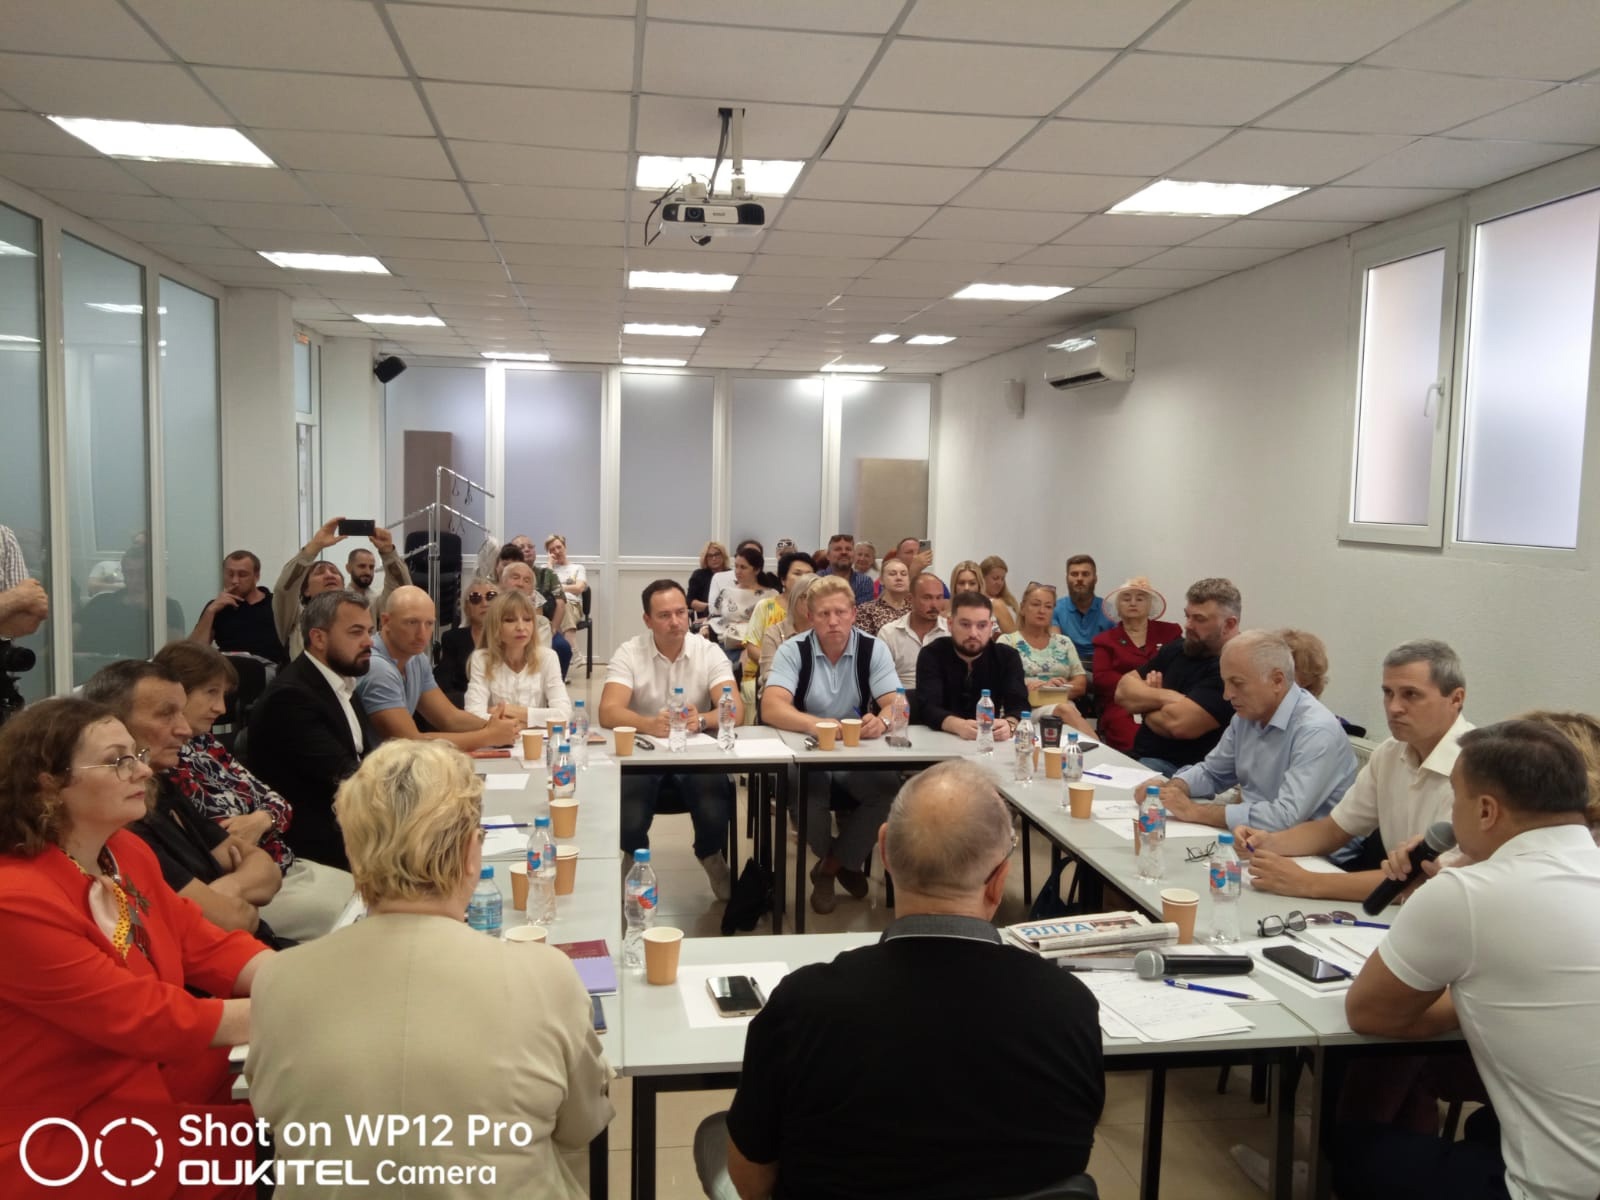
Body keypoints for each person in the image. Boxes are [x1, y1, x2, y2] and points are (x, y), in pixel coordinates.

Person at [705, 760, 1104, 1200]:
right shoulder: (1071, 1009)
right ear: (998, 881)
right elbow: (1070, 1160)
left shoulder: (804, 1005)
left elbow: (752, 1181)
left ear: (885, 852)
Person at [246, 740, 613, 1200]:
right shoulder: (546, 975)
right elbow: (583, 1124)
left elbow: (271, 1116)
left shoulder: (278, 979)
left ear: (352, 850)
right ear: (471, 853)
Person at [0, 698, 271, 1195]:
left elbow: (205, 946)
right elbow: (141, 1018)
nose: (142, 770)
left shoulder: (125, 850)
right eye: (118, 760)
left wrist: (307, 978)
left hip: (146, 1085)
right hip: (62, 1132)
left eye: (137, 755)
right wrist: (298, 1006)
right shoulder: (13, 902)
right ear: (49, 784)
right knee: (300, 1139)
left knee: (312, 1107)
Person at [1339, 720, 1600, 1200]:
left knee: (1356, 1148)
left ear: (1485, 810)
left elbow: (1370, 1014)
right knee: (1484, 1127)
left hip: (1560, 1189)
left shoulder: (1465, 893)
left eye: (1455, 799)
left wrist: (1474, 1003)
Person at [156, 640, 356, 941]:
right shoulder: (166, 763)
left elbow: (279, 803)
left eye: (223, 695)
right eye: (211, 693)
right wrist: (266, 818)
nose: (221, 708)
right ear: (178, 693)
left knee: (372, 896)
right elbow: (224, 844)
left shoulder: (204, 744)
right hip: (248, 888)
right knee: (356, 920)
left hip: (286, 865)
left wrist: (262, 819)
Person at [1240, 640, 1470, 899]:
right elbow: (1334, 829)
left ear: (1456, 699)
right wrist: (1267, 842)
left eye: (1411, 694)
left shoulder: (1476, 770)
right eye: (1388, 693)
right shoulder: (1390, 752)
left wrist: (1308, 882)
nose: (1394, 707)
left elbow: (1430, 880)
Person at [83, 660, 285, 941]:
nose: (185, 729)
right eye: (166, 714)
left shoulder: (161, 786)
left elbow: (268, 870)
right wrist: (239, 897)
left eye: (181, 712)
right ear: (115, 725)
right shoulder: (124, 823)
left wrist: (227, 890)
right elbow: (231, 921)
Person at [762, 576, 902, 914]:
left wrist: (882, 721)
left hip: (858, 751)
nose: (833, 621)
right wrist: (817, 724)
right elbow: (771, 707)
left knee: (888, 790)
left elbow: (897, 703)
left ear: (854, 613)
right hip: (807, 749)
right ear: (810, 617)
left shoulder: (873, 649)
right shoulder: (793, 650)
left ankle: (828, 868)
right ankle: (842, 862)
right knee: (807, 791)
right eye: (824, 614)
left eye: (840, 612)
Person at [600, 580, 739, 900]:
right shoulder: (629, 652)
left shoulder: (708, 651)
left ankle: (711, 856)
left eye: (681, 613)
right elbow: (608, 711)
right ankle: (634, 860)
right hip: (643, 752)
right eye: (664, 615)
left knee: (714, 801)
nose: (676, 621)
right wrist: (647, 724)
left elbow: (735, 709)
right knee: (630, 810)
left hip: (694, 750)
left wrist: (702, 719)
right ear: (647, 620)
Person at [1152, 630, 1358, 834]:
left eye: (1237, 683)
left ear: (1277, 681)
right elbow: (1212, 772)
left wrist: (1195, 812)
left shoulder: (1316, 731)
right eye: (1225, 683)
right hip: (1256, 836)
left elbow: (1285, 817)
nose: (1227, 695)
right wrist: (1173, 788)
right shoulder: (1246, 716)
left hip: (1312, 849)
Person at [246, 590, 377, 871]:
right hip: (315, 846)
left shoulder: (342, 682)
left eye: (370, 631)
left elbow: (366, 758)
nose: (369, 642)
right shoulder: (290, 697)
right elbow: (345, 775)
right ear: (318, 638)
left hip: (352, 823)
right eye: (356, 632)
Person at [355, 586, 521, 751]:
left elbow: (449, 718)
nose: (422, 634)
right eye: (411, 622)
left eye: (429, 623)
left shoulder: (416, 658)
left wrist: (495, 726)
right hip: (376, 764)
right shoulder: (377, 667)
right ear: (386, 621)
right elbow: (409, 741)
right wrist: (488, 735)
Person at [1116, 576, 1242, 774]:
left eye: (1199, 619)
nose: (1188, 625)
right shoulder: (1179, 648)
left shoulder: (1233, 668)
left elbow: (1178, 725)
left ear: (1229, 624)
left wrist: (1144, 706)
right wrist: (1167, 697)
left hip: (1184, 770)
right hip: (1139, 756)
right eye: (1187, 616)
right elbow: (1123, 690)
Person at [274, 517, 409, 660]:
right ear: (306, 590)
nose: (329, 575)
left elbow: (401, 592)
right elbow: (285, 590)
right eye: (320, 572)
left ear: (343, 587)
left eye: (334, 572)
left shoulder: (365, 611)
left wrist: (388, 553)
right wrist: (313, 547)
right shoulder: (296, 618)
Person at [912, 590, 1028, 741]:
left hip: (990, 741)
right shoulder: (932, 654)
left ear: (991, 627)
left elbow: (1019, 705)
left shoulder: (1007, 656)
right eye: (965, 625)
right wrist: (958, 726)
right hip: (940, 739)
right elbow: (928, 707)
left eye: (982, 625)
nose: (973, 633)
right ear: (950, 624)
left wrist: (1010, 725)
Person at [1091, 576, 1182, 753]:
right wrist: (1140, 688)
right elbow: (1102, 678)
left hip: (1167, 701)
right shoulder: (1105, 640)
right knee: (1136, 744)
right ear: (1118, 607)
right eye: (1126, 599)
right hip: (1124, 705)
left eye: (1140, 599)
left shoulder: (1170, 632)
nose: (1133, 603)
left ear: (1150, 605)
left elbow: (1180, 666)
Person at [465, 588, 573, 728]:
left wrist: (508, 710)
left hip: (535, 739)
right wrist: (532, 720)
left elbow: (564, 715)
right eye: (510, 620)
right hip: (497, 740)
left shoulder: (548, 657)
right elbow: (473, 716)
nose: (521, 627)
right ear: (495, 626)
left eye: (527, 619)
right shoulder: (482, 659)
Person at [75, 543, 185, 656]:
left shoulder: (167, 607)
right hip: (90, 664)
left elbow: (175, 652)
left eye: (142, 573)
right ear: (124, 574)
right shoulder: (101, 602)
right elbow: (72, 635)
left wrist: (150, 610)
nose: (135, 579)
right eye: (130, 573)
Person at [1001, 581, 1089, 707]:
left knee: (1065, 708)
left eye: (1048, 607)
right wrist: (1030, 688)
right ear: (1023, 608)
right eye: (1036, 604)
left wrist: (1056, 688)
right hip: (1022, 705)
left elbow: (1081, 684)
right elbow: (999, 682)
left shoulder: (1064, 642)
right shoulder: (1007, 642)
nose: (1042, 611)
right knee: (1064, 709)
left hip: (1060, 704)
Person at [189, 549, 285, 664]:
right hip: (228, 666)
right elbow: (193, 653)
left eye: (242, 575)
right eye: (230, 574)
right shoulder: (216, 607)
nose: (235, 581)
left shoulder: (276, 604)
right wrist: (210, 611)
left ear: (256, 576)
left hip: (267, 667)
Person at [497, 550, 573, 679]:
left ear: (532, 588)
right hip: (496, 667)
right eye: (515, 578)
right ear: (502, 582)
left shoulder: (540, 618)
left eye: (526, 581)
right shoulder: (490, 600)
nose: (520, 584)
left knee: (562, 647)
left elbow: (537, 653)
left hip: (530, 667)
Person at [742, 551, 813, 684]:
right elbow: (751, 647)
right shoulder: (765, 606)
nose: (804, 579)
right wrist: (783, 664)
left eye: (808, 574)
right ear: (783, 579)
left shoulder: (818, 610)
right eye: (797, 574)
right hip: (764, 674)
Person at [708, 546, 776, 672]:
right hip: (729, 644)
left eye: (743, 567)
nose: (737, 571)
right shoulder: (726, 592)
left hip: (759, 646)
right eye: (736, 566)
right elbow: (714, 616)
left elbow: (774, 625)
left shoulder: (771, 595)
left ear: (756, 570)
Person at [877, 570, 950, 688]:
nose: (934, 605)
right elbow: (881, 679)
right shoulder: (889, 633)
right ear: (910, 599)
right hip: (901, 695)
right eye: (927, 598)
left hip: (942, 695)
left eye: (939, 598)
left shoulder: (951, 632)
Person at [436, 576, 496, 707]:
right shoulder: (453, 638)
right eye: (475, 598)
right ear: (467, 608)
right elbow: (444, 684)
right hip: (464, 706)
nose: (485, 604)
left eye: (491, 597)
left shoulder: (511, 637)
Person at [1050, 553, 1116, 668]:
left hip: (1102, 666)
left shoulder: (1110, 610)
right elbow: (1057, 649)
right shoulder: (1055, 609)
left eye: (1085, 574)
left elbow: (1116, 649)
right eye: (1074, 574)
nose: (1079, 579)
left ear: (1095, 578)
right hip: (1068, 666)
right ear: (1067, 579)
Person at [759, 574, 819, 692]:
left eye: (818, 598)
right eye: (807, 597)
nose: (813, 603)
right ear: (795, 598)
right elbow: (768, 676)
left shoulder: (825, 633)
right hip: (779, 694)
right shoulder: (774, 633)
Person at [0, 523, 47, 638]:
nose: (26, 546)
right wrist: (18, 597)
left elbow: (26, 620)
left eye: (29, 543)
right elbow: (23, 599)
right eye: (24, 541)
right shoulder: (22, 592)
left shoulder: (4, 536)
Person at [854, 555, 911, 636]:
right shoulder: (867, 610)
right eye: (892, 574)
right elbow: (863, 641)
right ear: (881, 580)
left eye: (903, 574)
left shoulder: (915, 610)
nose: (899, 578)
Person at [823, 532, 875, 604]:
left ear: (854, 555)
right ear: (828, 555)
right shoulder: (817, 579)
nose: (844, 552)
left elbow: (862, 610)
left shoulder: (864, 581)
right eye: (838, 549)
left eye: (848, 549)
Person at [979, 554, 1019, 635]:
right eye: (995, 578)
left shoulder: (1009, 601)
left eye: (1002, 579)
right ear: (982, 578)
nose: (1000, 583)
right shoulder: (981, 603)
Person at [689, 541, 728, 618]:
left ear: (723, 556)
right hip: (705, 617)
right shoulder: (698, 575)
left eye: (717, 554)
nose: (714, 558)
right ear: (705, 559)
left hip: (728, 617)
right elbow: (690, 601)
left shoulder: (730, 574)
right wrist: (711, 608)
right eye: (710, 556)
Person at [345, 545, 385, 610]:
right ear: (348, 568)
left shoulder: (377, 599)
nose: (368, 572)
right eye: (362, 566)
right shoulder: (340, 600)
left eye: (371, 567)